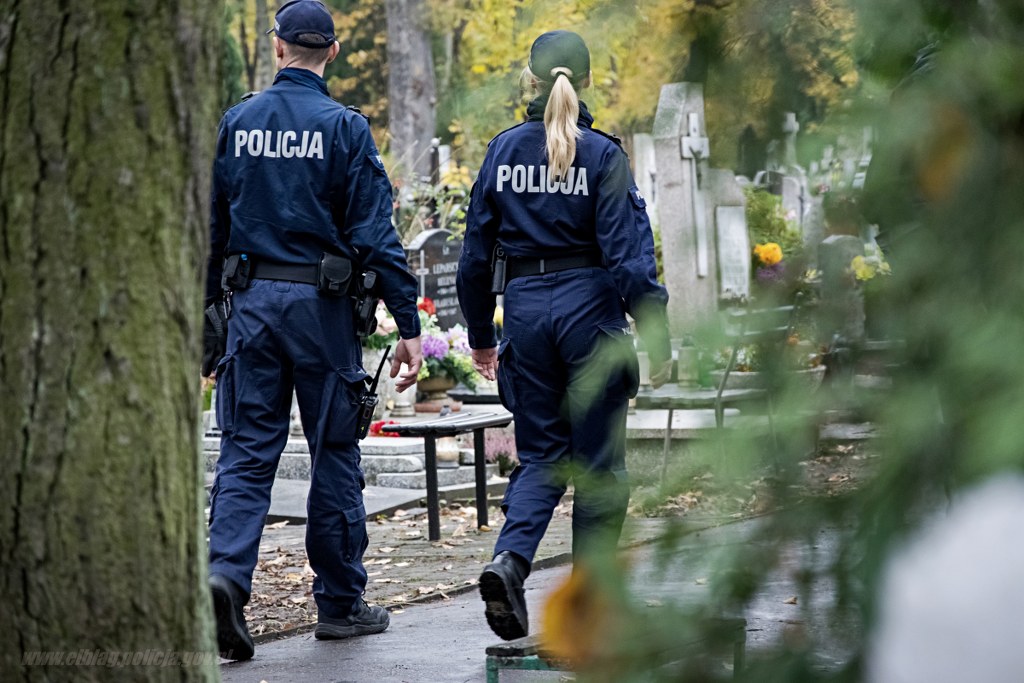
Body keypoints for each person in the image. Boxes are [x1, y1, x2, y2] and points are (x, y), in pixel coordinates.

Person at [203, 0, 422, 660]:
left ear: (277, 48)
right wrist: (407, 321)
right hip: (321, 311)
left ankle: (225, 578)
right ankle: (340, 604)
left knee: (246, 450)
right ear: (332, 51)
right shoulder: (344, 128)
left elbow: (214, 229)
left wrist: (209, 320)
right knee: (333, 449)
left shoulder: (238, 122)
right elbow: (376, 234)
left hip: (251, 305)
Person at [456, 30, 672, 641]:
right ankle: (591, 607)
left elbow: (475, 258)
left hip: (526, 314)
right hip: (591, 315)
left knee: (543, 456)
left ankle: (510, 561)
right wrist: (655, 331)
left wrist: (481, 334)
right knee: (600, 464)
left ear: (529, 79)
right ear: (589, 81)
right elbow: (629, 258)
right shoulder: (603, 155)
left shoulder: (501, 152)